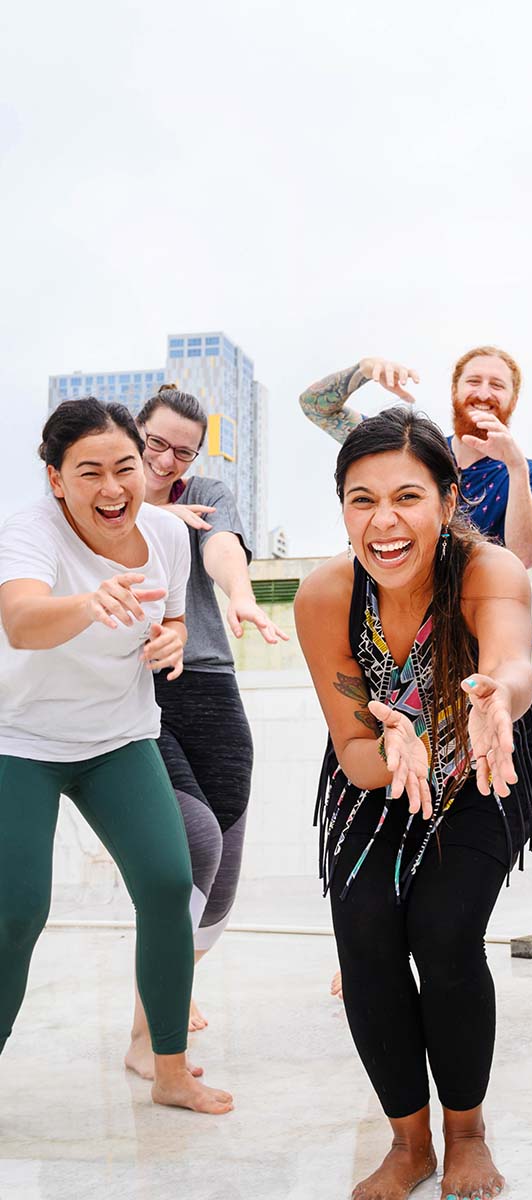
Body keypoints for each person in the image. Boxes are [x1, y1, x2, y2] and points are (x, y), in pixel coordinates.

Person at [294, 405, 532, 1200]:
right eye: (362, 500)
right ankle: (409, 1143)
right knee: (365, 934)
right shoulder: (326, 595)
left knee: (443, 930)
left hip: (484, 759)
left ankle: (466, 1131)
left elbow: (511, 662)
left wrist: (495, 698)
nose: (384, 521)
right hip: (377, 770)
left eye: (407, 496)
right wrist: (391, 751)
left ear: (448, 499)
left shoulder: (486, 571)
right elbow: (351, 743)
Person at [0, 398, 233, 1115]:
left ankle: (169, 1070)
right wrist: (87, 603)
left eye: (125, 467)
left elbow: (171, 620)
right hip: (20, 739)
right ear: (55, 479)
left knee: (167, 884)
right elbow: (21, 622)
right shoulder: (30, 532)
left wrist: (169, 642)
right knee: (17, 911)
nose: (113, 488)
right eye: (89, 472)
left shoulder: (166, 533)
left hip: (118, 737)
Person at [119, 384, 287, 1076]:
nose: (165, 461)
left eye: (182, 452)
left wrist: (241, 595)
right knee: (195, 841)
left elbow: (220, 546)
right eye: (155, 444)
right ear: (135, 433)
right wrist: (150, 515)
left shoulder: (207, 493)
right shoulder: (105, 495)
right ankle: (146, 1034)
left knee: (218, 893)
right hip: (136, 688)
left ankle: (172, 978)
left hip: (211, 681)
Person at [299, 347, 532, 567]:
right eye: (473, 381)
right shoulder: (414, 450)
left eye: (497, 385)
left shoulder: (528, 473)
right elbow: (315, 406)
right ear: (454, 390)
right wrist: (361, 371)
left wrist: (516, 467)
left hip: (480, 604)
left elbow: (523, 558)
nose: (483, 394)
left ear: (514, 399)